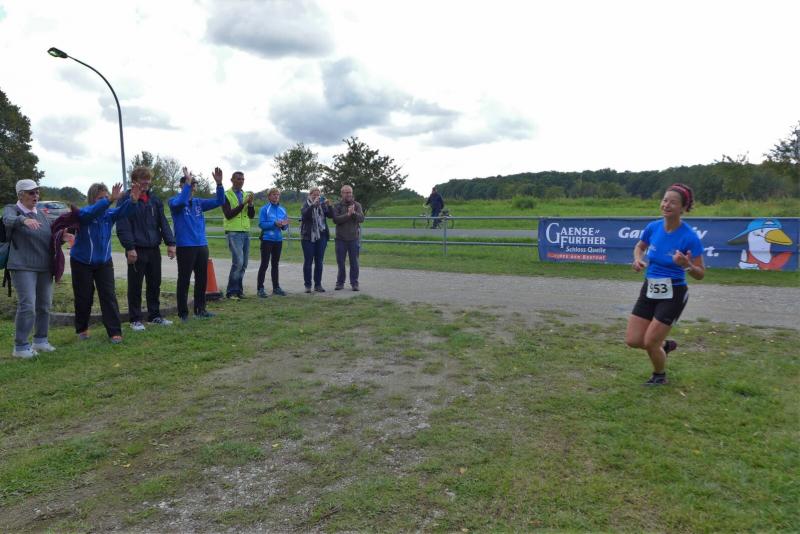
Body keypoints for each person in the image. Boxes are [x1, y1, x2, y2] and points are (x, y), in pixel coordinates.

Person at [625, 183, 705, 386]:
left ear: (683, 207)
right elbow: (639, 247)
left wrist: (686, 265)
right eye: (665, 200)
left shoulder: (689, 237)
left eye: (673, 202)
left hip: (674, 292)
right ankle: (665, 346)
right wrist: (637, 259)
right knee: (633, 340)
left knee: (650, 341)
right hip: (650, 287)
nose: (666, 205)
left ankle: (659, 376)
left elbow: (700, 274)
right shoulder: (653, 227)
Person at [70, 181, 139, 343]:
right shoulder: (84, 214)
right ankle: (82, 329)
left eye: (106, 197)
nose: (105, 200)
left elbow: (123, 211)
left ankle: (115, 332)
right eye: (100, 198)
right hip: (81, 262)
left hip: (104, 262)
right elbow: (88, 213)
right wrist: (109, 200)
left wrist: (133, 201)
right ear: (92, 200)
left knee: (108, 295)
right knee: (84, 297)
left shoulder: (109, 215)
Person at [116, 166, 177, 332]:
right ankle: (135, 319)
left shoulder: (154, 200)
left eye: (148, 179)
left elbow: (162, 222)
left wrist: (171, 243)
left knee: (155, 283)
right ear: (134, 180)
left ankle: (154, 315)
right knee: (135, 286)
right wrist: (130, 247)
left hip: (153, 248)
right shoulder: (125, 200)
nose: (147, 182)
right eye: (143, 179)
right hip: (136, 249)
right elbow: (123, 225)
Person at [3, 180, 59, 358]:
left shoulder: (41, 214)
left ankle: (40, 340)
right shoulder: (12, 210)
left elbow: (48, 236)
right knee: (28, 305)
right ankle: (20, 347)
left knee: (44, 305)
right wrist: (24, 219)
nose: (35, 196)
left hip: (44, 266)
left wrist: (62, 236)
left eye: (37, 192)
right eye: (31, 193)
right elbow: (7, 220)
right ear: (20, 195)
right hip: (22, 266)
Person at [168, 167, 225, 321]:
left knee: (202, 279)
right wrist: (187, 183)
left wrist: (219, 184)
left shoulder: (199, 202)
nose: (193, 185)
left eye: (194, 183)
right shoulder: (174, 201)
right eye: (189, 183)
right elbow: (181, 201)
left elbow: (220, 201)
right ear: (182, 185)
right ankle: (183, 313)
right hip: (185, 246)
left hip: (201, 245)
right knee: (184, 280)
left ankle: (200, 310)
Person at [222, 171, 255, 299]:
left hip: (245, 231)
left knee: (244, 263)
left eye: (242, 179)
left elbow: (251, 215)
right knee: (238, 262)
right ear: (232, 180)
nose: (241, 181)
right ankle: (231, 291)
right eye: (238, 179)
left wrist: (250, 205)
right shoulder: (226, 195)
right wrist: (243, 204)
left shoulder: (246, 195)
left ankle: (239, 290)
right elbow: (228, 214)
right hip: (233, 232)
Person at [256, 188, 289, 297]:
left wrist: (284, 225)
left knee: (275, 264)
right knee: (264, 264)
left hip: (278, 240)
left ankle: (276, 288)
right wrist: (274, 223)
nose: (276, 196)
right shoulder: (264, 209)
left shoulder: (282, 209)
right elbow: (261, 224)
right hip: (267, 239)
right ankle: (260, 289)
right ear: (269, 196)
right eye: (274, 194)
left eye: (277, 194)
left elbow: (285, 226)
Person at [299, 187, 333, 293]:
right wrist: (313, 205)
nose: (316, 196)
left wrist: (329, 205)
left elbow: (331, 216)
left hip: (322, 236)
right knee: (308, 261)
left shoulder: (322, 205)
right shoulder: (306, 204)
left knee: (319, 261)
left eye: (318, 195)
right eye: (314, 194)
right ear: (309, 195)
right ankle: (308, 285)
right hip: (308, 237)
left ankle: (318, 285)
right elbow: (305, 215)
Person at [332, 184, 364, 291]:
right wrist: (348, 215)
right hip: (340, 239)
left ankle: (354, 283)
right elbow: (336, 220)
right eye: (346, 192)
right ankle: (340, 283)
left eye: (350, 192)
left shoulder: (357, 205)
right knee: (341, 263)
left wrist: (353, 213)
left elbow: (361, 218)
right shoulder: (337, 206)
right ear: (342, 194)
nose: (348, 194)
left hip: (353, 239)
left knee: (354, 263)